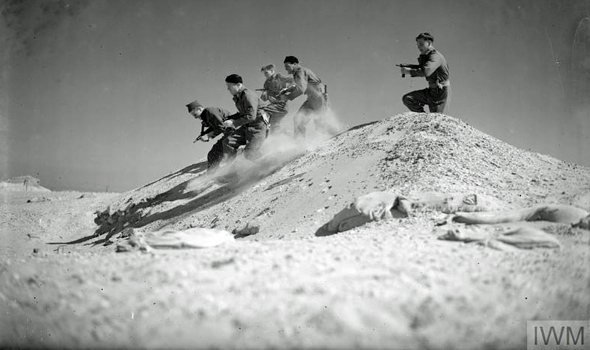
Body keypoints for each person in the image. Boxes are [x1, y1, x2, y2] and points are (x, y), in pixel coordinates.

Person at [222, 74, 270, 163]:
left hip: (258, 126)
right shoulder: (238, 96)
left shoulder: (248, 95)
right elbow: (243, 113)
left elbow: (251, 116)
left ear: (238, 85)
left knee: (250, 153)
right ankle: (230, 169)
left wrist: (233, 123)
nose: (228, 89)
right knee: (228, 142)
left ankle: (270, 163)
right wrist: (231, 118)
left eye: (229, 86)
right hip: (248, 125)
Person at [280, 56, 332, 138]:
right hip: (312, 99)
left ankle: (341, 133)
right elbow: (299, 85)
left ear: (294, 64)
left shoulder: (300, 72)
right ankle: (299, 145)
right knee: (298, 119)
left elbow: (301, 89)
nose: (286, 69)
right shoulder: (298, 72)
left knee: (321, 124)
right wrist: (287, 90)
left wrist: (287, 97)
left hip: (319, 98)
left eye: (287, 66)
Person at [400, 32, 451, 113]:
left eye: (421, 44)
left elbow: (426, 71)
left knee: (435, 120)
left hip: (440, 93)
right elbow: (423, 67)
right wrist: (410, 66)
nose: (418, 47)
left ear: (429, 43)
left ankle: (427, 121)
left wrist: (408, 71)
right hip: (431, 91)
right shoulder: (427, 56)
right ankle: (423, 118)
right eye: (417, 45)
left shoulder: (436, 56)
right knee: (408, 98)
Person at [186, 100, 233, 170]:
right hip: (230, 133)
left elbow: (222, 127)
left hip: (234, 132)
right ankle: (214, 174)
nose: (195, 118)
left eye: (195, 115)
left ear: (199, 109)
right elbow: (215, 126)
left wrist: (208, 136)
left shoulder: (210, 112)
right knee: (212, 154)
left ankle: (216, 173)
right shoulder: (207, 115)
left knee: (215, 153)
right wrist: (205, 133)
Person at [259, 64, 294, 134]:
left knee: (261, 112)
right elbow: (264, 99)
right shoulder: (266, 84)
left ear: (272, 71)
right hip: (274, 107)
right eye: (264, 74)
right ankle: (288, 136)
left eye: (266, 73)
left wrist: (287, 88)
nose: (265, 75)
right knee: (274, 127)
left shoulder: (279, 77)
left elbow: (293, 80)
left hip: (281, 105)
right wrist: (264, 95)